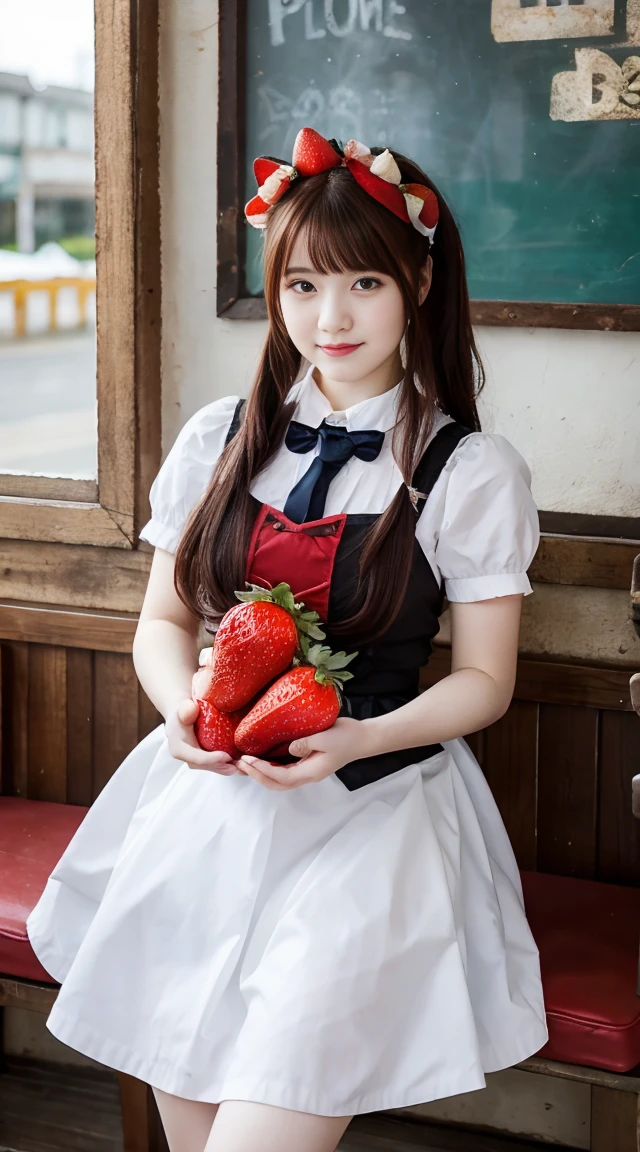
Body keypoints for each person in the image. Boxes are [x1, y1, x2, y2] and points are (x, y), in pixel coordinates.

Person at [27, 128, 548, 1152]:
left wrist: (357, 738)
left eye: (363, 281)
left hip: (376, 812)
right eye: (303, 285)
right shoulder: (219, 436)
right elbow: (164, 624)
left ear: (421, 284)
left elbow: (485, 681)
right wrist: (189, 710)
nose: (332, 316)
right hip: (208, 807)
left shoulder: (470, 470)